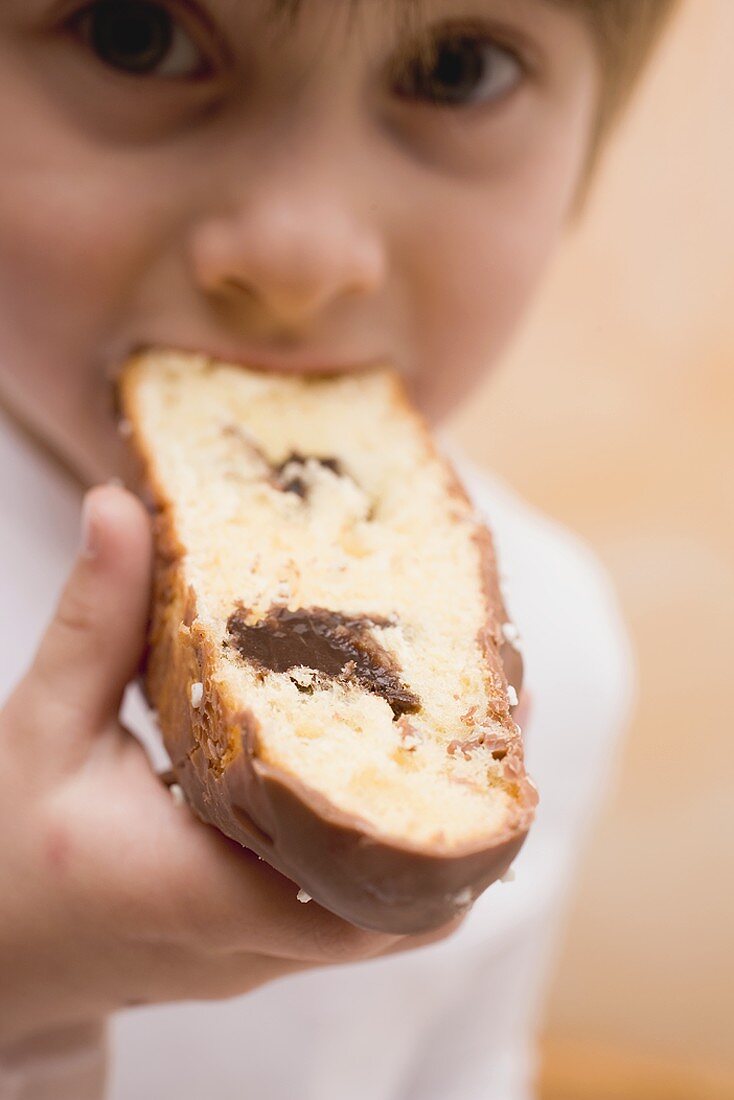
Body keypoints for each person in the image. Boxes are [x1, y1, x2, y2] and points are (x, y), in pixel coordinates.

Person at [0, 2, 677, 1097]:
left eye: (456, 71)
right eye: (139, 35)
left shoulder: (562, 647)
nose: (297, 255)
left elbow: (462, 1072)